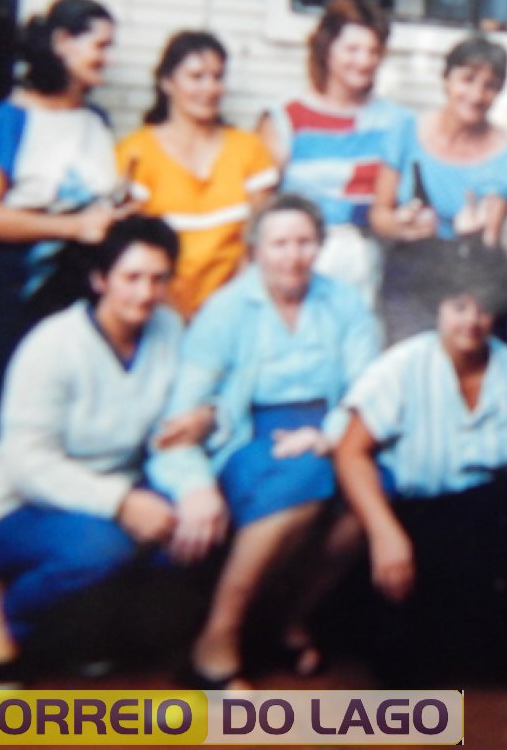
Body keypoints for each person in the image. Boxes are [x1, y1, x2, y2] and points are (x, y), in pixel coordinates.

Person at [0, 0, 128, 671]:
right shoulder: (9, 119)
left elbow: (100, 205)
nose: (106, 57)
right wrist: (71, 225)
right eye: (97, 44)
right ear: (61, 45)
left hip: (65, 301)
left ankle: (2, 612)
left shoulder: (97, 123)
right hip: (2, 300)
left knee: (37, 451)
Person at [146, 194, 382, 687]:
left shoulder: (343, 301)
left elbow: (366, 389)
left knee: (373, 498)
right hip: (248, 438)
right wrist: (195, 480)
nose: (293, 256)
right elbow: (182, 415)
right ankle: (217, 637)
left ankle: (288, 620)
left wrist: (328, 435)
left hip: (331, 433)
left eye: (304, 242)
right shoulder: (227, 309)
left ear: (319, 246)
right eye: (279, 243)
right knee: (309, 476)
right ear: (254, 249)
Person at [0, 216, 184, 682]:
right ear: (100, 280)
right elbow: (27, 464)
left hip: (111, 494)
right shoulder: (53, 345)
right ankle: (0, 610)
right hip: (20, 506)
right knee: (105, 549)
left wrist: (204, 416)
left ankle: (69, 631)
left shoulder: (168, 329)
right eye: (131, 278)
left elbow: (190, 405)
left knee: (186, 535)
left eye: (158, 278)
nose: (145, 293)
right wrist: (120, 502)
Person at [333, 246, 507, 683]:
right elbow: (350, 452)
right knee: (404, 669)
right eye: (459, 306)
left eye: (484, 308)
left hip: (497, 520)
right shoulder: (402, 365)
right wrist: (385, 535)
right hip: (423, 521)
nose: (472, 321)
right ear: (437, 306)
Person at [369, 35, 507, 343]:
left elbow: (489, 244)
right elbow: (379, 215)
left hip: (470, 272)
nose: (477, 94)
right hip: (410, 271)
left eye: (490, 86)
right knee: (411, 365)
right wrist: (401, 227)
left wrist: (472, 234)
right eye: (467, 79)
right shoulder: (405, 132)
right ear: (446, 79)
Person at [258, 0, 411, 307]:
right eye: (352, 50)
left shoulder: (398, 122)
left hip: (372, 267)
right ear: (326, 50)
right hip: (299, 264)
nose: (365, 61)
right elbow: (261, 209)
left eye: (373, 51)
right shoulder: (286, 118)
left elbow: (404, 201)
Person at [117, 30, 278, 319]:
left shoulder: (248, 148)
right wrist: (172, 314)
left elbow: (258, 238)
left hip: (235, 307)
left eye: (218, 77)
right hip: (156, 307)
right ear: (167, 83)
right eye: (197, 76)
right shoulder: (136, 151)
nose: (210, 87)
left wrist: (227, 309)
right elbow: (133, 246)